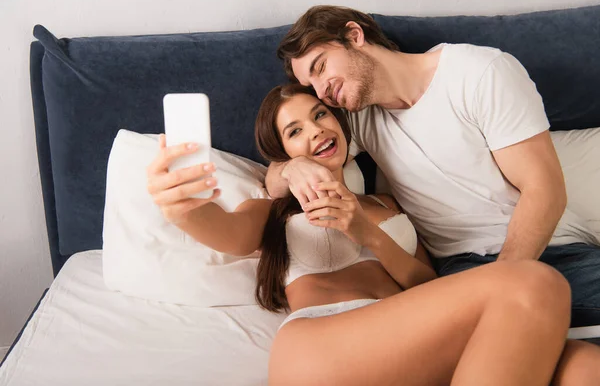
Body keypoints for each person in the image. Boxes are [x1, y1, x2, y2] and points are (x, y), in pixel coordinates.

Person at [147, 84, 600, 385]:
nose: (317, 130)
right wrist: (183, 210)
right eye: (295, 130)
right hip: (323, 348)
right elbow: (229, 233)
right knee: (534, 283)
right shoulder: (277, 207)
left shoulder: (388, 204)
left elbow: (428, 288)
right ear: (282, 151)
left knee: (585, 367)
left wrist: (367, 231)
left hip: (410, 351)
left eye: (320, 114)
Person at [266, 5, 600, 325]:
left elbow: (544, 189)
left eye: (321, 67)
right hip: (460, 272)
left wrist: (503, 283)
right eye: (311, 87)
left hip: (553, 251)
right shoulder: (357, 119)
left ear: (354, 36)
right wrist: (293, 168)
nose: (322, 92)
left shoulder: (478, 72)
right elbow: (276, 175)